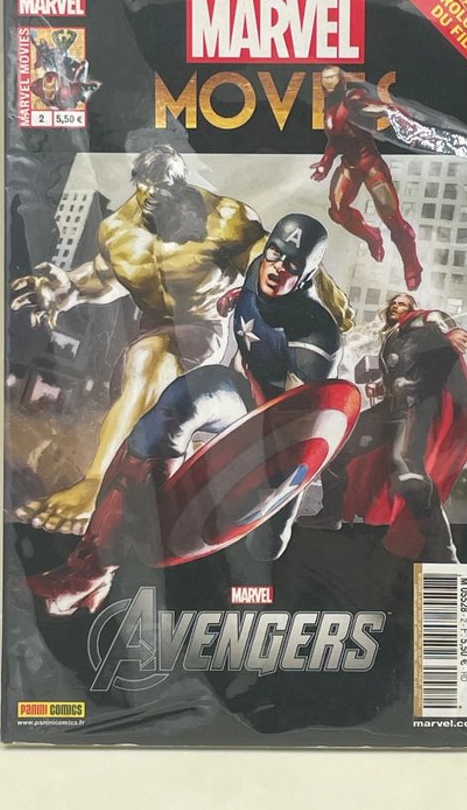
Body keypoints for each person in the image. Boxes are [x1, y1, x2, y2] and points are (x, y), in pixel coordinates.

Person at [12, 145, 353, 536]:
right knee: (150, 362)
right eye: (148, 189)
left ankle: (96, 487)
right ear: (138, 185)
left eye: (168, 190)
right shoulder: (118, 231)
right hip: (146, 334)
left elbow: (275, 261)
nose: (157, 198)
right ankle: (161, 475)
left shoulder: (225, 220)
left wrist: (324, 300)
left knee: (156, 357)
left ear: (182, 184)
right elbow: (105, 277)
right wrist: (67, 289)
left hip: (202, 333)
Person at [27, 215, 347, 615]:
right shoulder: (258, 270)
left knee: (266, 547)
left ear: (307, 275)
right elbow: (255, 296)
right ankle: (89, 569)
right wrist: (235, 299)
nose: (277, 268)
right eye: (274, 255)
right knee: (177, 405)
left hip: (273, 430)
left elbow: (301, 427)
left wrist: (274, 506)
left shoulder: (315, 337)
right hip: (240, 392)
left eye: (292, 265)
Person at [298, 292, 467, 563]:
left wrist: (450, 332)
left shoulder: (419, 323)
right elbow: (403, 371)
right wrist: (381, 387)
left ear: (413, 308)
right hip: (390, 409)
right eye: (393, 303)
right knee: (337, 451)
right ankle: (330, 515)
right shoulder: (394, 337)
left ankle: (445, 553)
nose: (396, 306)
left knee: (407, 473)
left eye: (403, 303)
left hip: (414, 410)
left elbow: (434, 318)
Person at [310, 66, 423, 288]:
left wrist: (393, 112)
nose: (328, 84)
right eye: (325, 80)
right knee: (338, 211)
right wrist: (325, 163)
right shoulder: (329, 107)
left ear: (342, 83)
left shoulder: (354, 99)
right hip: (350, 166)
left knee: (393, 219)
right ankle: (372, 236)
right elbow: (336, 140)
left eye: (333, 79)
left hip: (371, 166)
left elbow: (373, 108)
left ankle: (412, 265)